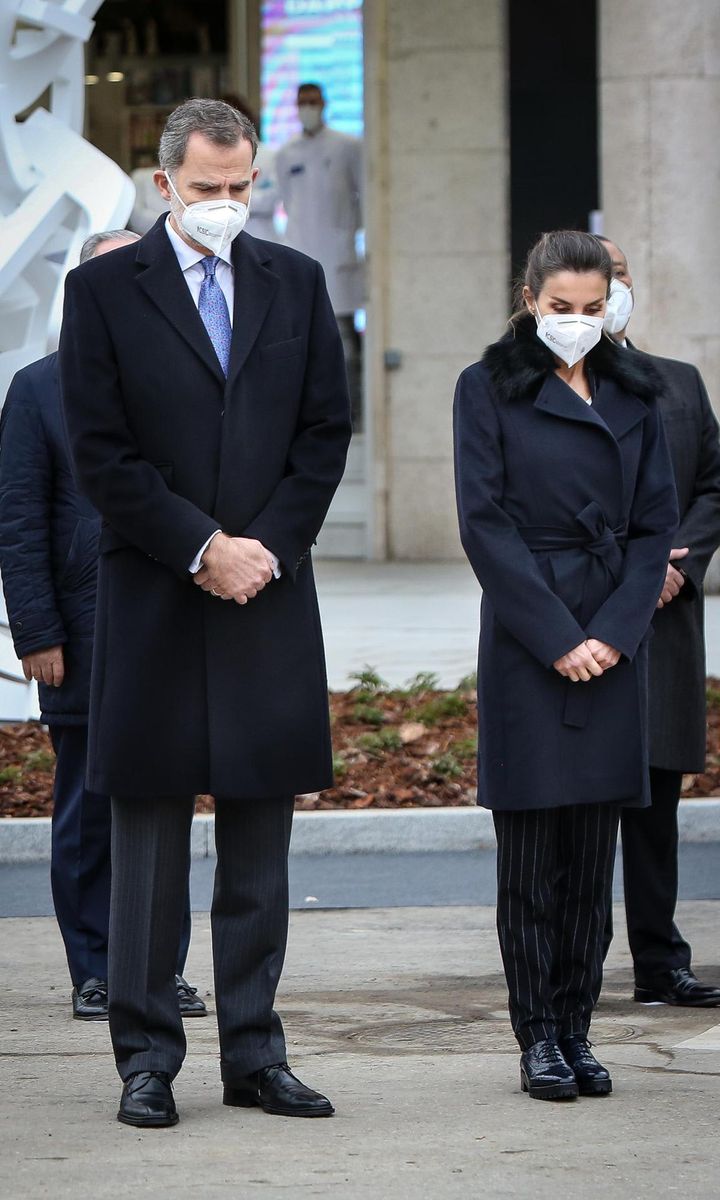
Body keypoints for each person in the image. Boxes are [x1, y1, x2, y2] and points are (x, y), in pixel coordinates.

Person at [59, 99, 351, 1129]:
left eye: (242, 187)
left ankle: (255, 1053)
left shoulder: (297, 282)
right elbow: (100, 450)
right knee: (146, 845)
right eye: (208, 189)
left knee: (260, 846)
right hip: (156, 595)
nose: (229, 206)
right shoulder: (101, 291)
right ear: (164, 182)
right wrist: (201, 546)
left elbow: (324, 432)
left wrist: (263, 548)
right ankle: (146, 1057)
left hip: (267, 594)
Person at [453, 230, 678, 1101]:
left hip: (615, 632)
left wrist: (617, 632)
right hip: (529, 635)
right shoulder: (487, 387)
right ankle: (537, 1035)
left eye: (592, 310)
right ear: (529, 299)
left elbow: (655, 523)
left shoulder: (636, 389)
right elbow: (485, 523)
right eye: (561, 310)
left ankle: (579, 1028)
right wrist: (558, 636)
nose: (578, 325)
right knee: (532, 856)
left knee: (592, 857)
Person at [0, 230, 205, 1024]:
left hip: (171, 634)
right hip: (82, 638)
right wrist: (37, 633)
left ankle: (162, 969)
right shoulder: (38, 389)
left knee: (168, 802)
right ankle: (96, 968)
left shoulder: (186, 385)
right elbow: (19, 525)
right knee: (90, 810)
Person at [599, 235, 720, 1007]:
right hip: (586, 622)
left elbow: (712, 483)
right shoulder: (530, 388)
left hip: (667, 622)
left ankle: (660, 958)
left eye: (619, 276)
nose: (611, 291)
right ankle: (571, 965)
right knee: (580, 807)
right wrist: (637, 569)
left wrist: (680, 562)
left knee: (656, 798)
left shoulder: (679, 382)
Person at [275, 82, 363, 423]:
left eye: (312, 101)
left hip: (338, 253)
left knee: (343, 339)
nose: (307, 108)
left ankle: (351, 411)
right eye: (302, 102)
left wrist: (350, 236)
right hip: (300, 249)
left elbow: (364, 199)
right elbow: (287, 200)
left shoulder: (347, 146)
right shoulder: (287, 153)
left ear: (324, 104)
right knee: (301, 335)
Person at [220, 94, 282, 243]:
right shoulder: (214, 157)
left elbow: (271, 198)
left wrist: (231, 199)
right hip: (225, 237)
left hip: (261, 233)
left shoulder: (269, 155)